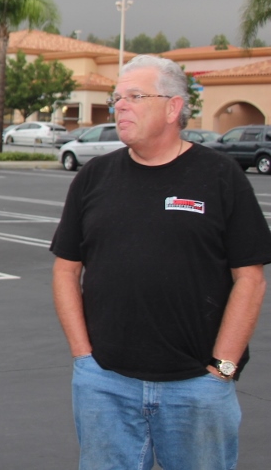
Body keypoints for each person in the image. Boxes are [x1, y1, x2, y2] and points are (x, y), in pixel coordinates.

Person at [51, 54, 271, 470]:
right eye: (117, 97)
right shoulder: (93, 178)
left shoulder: (222, 178)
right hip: (106, 386)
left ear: (173, 107)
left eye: (134, 96)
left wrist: (222, 366)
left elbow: (250, 279)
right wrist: (84, 358)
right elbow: (65, 270)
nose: (120, 106)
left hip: (197, 390)